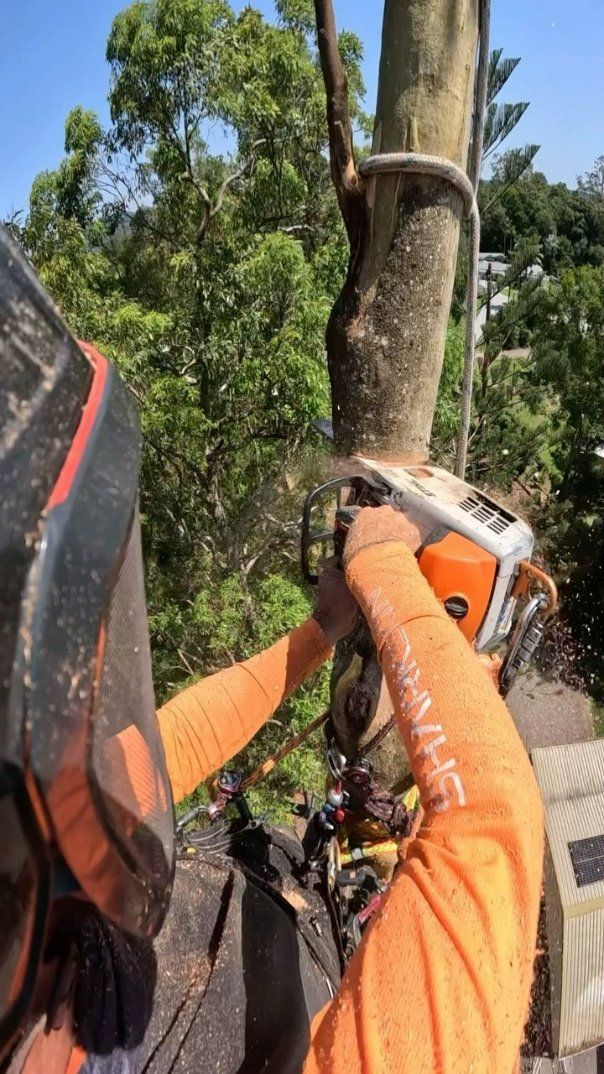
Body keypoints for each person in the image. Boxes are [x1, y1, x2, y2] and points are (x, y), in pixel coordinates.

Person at [1, 227, 544, 1074]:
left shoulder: (42, 925)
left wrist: (319, 634)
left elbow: (147, 757)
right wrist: (391, 579)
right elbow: (494, 827)